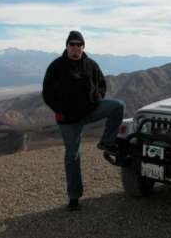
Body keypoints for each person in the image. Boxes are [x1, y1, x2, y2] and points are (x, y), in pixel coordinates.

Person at [42, 31, 125, 212]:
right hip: (68, 118)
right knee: (72, 156)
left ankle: (107, 141)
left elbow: (101, 84)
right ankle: (74, 197)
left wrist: (97, 98)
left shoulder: (91, 65)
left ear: (83, 46)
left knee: (117, 105)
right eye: (72, 44)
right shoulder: (56, 66)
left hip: (89, 111)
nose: (75, 47)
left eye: (79, 44)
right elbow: (47, 93)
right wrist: (61, 110)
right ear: (66, 46)